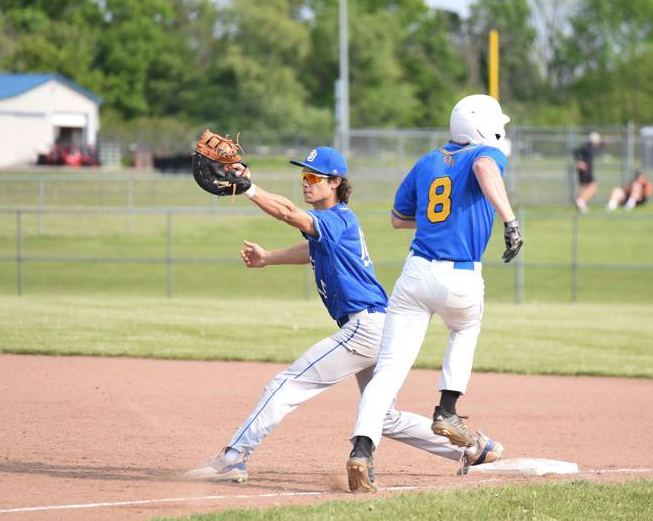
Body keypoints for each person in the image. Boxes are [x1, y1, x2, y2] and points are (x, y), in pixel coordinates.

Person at [184, 146, 495, 483]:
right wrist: (268, 257)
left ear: (335, 182)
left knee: (287, 384)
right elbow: (312, 248)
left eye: (314, 176)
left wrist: (249, 188)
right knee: (384, 417)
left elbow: (289, 213)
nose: (306, 182)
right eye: (304, 175)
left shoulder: (336, 218)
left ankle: (233, 457)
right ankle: (475, 450)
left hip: (364, 328)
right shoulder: (336, 222)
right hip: (380, 326)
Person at [346, 94, 522, 493]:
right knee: (465, 329)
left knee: (387, 371)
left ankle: (362, 451)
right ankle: (447, 408)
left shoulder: (426, 162)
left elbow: (396, 218)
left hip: (416, 273)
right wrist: (510, 220)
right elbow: (482, 165)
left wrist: (437, 222)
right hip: (460, 275)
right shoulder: (485, 154)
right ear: (484, 128)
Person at [573, 131, 602, 213]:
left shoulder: (591, 147)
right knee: (592, 186)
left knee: (586, 186)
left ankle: (581, 203)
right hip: (584, 171)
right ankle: (581, 201)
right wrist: (579, 162)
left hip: (588, 170)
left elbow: (599, 149)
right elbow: (575, 152)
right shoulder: (585, 146)